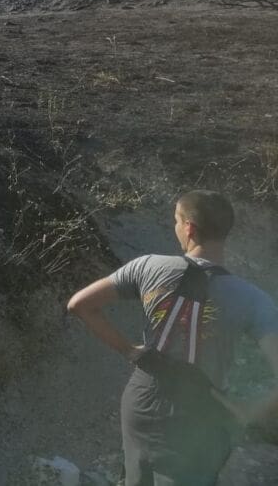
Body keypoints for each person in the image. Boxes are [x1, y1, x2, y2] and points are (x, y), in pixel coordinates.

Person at [66, 190, 278, 485]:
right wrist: (249, 412)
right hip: (200, 412)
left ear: (189, 228)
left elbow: (80, 305)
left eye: (176, 221)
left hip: (142, 398)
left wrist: (129, 350)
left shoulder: (147, 266)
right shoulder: (253, 299)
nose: (176, 227)